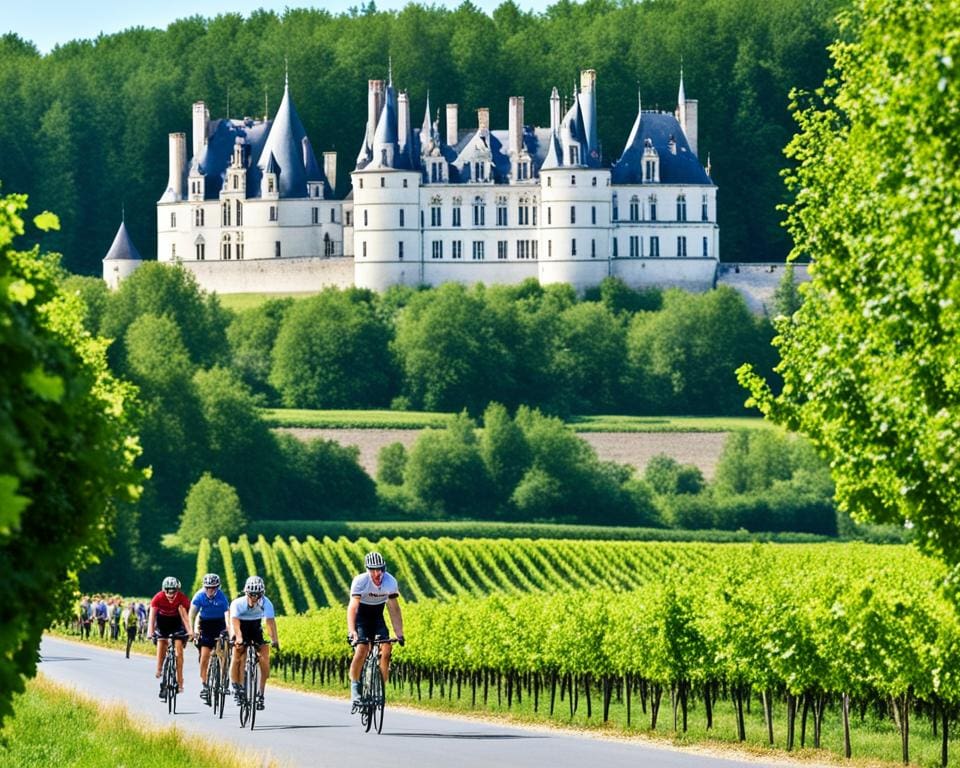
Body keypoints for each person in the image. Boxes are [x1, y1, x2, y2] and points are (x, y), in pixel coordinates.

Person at [347, 551, 405, 704]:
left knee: (386, 649)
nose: (377, 573)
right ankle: (355, 688)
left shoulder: (390, 582)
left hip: (378, 617)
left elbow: (394, 608)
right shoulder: (360, 581)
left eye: (380, 569)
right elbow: (353, 607)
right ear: (367, 570)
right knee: (362, 649)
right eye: (373, 570)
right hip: (361, 618)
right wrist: (352, 631)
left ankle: (380, 688)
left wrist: (399, 633)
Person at [229, 575, 279, 711]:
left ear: (262, 594)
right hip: (241, 625)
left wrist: (274, 640)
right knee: (238, 653)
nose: (254, 598)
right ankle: (235, 683)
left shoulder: (266, 603)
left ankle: (260, 694)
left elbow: (269, 623)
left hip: (255, 626)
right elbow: (235, 623)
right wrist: (238, 637)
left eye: (258, 595)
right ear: (246, 592)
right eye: (252, 594)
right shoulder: (237, 603)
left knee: (264, 658)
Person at [147, 576, 193, 696]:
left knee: (179, 651)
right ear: (164, 590)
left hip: (176, 622)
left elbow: (186, 617)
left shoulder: (182, 598)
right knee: (162, 642)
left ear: (177, 590)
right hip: (162, 622)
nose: (171, 594)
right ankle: (159, 669)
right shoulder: (158, 597)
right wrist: (150, 632)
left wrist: (190, 631)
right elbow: (152, 617)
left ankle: (180, 681)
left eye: (173, 591)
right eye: (168, 590)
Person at [189, 572, 230, 703]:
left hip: (219, 624)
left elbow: (227, 615)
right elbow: (192, 615)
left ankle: (223, 679)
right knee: (204, 655)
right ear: (204, 587)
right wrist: (193, 631)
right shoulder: (199, 596)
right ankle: (205, 685)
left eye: (213, 588)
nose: (210, 590)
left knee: (222, 654)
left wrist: (229, 629)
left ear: (218, 587)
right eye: (207, 587)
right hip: (205, 625)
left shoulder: (222, 597)